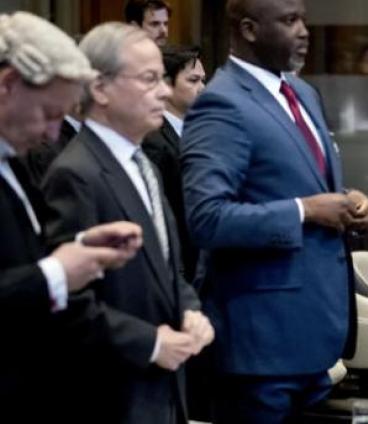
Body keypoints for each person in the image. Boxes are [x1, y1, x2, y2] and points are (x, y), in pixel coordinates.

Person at [180, 0, 368, 421]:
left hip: (315, 336)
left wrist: (347, 201)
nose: (304, 30)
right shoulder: (221, 104)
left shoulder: (303, 93)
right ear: (249, 29)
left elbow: (297, 183)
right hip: (259, 349)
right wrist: (304, 210)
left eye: (303, 19)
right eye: (289, 21)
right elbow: (206, 218)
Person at [41, 22, 213, 423]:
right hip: (114, 394)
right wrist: (150, 343)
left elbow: (168, 268)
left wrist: (191, 310)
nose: (164, 92)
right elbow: (66, 300)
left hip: (165, 391)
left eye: (163, 79)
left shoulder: (144, 164)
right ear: (100, 88)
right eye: (149, 79)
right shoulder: (75, 173)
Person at [0, 12, 144, 421]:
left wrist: (81, 247)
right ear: (8, 83)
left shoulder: (14, 161)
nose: (52, 133)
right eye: (49, 113)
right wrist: (56, 273)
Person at [142, 45, 206, 283]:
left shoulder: (199, 131)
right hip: (177, 267)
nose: (203, 88)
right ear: (167, 84)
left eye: (203, 80)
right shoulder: (154, 141)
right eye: (193, 80)